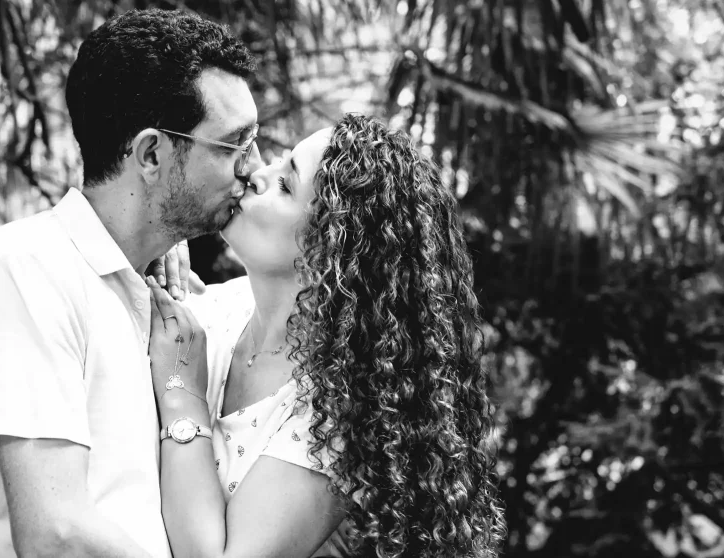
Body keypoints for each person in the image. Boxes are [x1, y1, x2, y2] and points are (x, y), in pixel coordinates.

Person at [0, 8, 262, 558]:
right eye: (233, 145)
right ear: (152, 153)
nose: (255, 167)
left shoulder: (165, 300)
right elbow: (55, 535)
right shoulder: (27, 269)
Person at [146, 114, 507, 558]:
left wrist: (182, 394)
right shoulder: (214, 310)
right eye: (278, 165)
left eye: (285, 185)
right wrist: (156, 241)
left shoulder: (336, 412)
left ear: (330, 253)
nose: (257, 175)